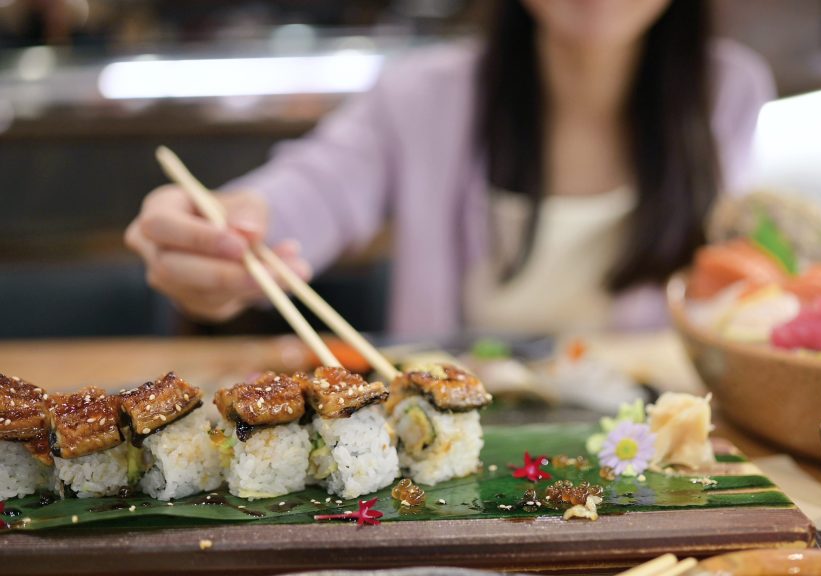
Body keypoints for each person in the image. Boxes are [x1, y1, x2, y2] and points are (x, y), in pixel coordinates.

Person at [125, 0, 775, 338]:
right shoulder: (422, 96)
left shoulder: (735, 93)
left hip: (654, 480)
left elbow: (760, 289)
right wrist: (227, 229)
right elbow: (311, 188)